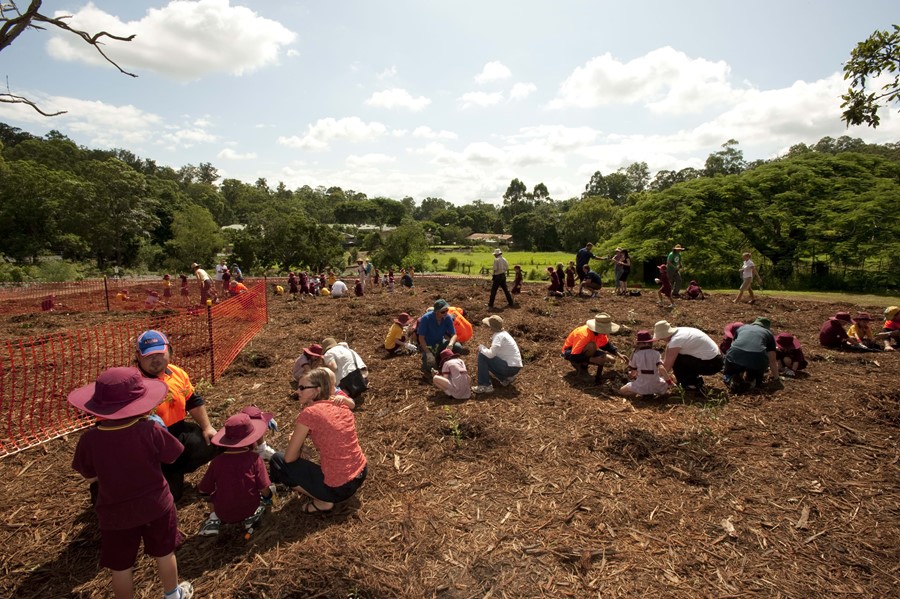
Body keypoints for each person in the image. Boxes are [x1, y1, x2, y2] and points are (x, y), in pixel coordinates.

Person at [68, 367, 194, 599]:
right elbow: (173, 456)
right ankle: (173, 594)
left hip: (115, 513)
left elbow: (89, 476)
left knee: (121, 567)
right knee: (165, 553)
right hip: (157, 505)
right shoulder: (150, 429)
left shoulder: (90, 439)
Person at [269, 367, 367, 514]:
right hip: (361, 471)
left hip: (340, 487)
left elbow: (289, 458)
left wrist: (298, 449)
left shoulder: (310, 413)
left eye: (302, 388)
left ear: (317, 390)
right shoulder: (338, 403)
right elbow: (329, 429)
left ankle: (324, 501)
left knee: (277, 460)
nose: (297, 391)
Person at [135, 330, 220, 501]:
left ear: (170, 351)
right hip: (150, 446)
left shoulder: (177, 373)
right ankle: (156, 475)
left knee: (212, 444)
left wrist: (207, 427)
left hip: (177, 433)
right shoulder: (132, 382)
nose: (155, 359)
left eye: (160, 353)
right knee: (170, 497)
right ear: (138, 356)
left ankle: (176, 469)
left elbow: (192, 401)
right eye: (149, 355)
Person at [197, 412, 274, 537]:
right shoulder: (254, 459)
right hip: (249, 507)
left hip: (223, 512)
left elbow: (204, 489)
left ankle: (213, 519)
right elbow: (263, 488)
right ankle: (250, 518)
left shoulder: (217, 462)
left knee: (212, 495)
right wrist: (269, 496)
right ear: (251, 439)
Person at [652, 320, 723, 391]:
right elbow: (668, 353)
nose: (662, 340)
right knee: (679, 357)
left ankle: (690, 383)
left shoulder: (676, 340)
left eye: (661, 338)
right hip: (717, 358)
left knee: (677, 359)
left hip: (711, 364)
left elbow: (668, 365)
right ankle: (691, 378)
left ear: (665, 335)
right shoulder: (679, 331)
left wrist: (654, 379)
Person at [561, 313, 625, 382]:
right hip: (570, 352)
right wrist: (592, 359)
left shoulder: (601, 333)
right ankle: (582, 371)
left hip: (582, 351)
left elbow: (606, 345)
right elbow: (574, 356)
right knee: (591, 346)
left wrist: (618, 354)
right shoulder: (584, 335)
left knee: (606, 357)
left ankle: (598, 377)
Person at [723, 317, 780, 391]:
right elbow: (772, 360)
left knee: (729, 372)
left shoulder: (742, 328)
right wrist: (777, 379)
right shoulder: (768, 334)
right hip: (756, 358)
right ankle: (752, 380)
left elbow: (733, 346)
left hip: (735, 355)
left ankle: (731, 378)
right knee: (755, 371)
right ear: (767, 327)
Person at [472, 315, 522, 394]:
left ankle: (485, 385)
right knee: (486, 356)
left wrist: (481, 348)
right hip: (514, 367)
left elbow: (491, 355)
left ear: (491, 327)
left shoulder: (498, 337)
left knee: (482, 355)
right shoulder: (504, 334)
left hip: (509, 368)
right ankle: (504, 378)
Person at [619, 330, 673, 397]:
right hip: (656, 384)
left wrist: (631, 374)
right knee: (669, 380)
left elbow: (633, 372)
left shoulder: (636, 355)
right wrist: (669, 382)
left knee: (622, 391)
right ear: (649, 343)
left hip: (641, 385)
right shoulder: (656, 354)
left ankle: (640, 394)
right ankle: (657, 393)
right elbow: (661, 368)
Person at [417, 299, 463, 375]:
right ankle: (436, 359)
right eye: (443, 311)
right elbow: (421, 338)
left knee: (458, 347)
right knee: (428, 365)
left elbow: (454, 335)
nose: (446, 313)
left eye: (446, 310)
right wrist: (428, 353)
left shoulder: (447, 318)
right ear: (436, 312)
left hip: (440, 342)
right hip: (429, 346)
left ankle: (443, 360)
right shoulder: (426, 318)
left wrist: (450, 344)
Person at [321, 337, 368, 402]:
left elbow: (333, 367)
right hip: (363, 376)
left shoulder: (329, 353)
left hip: (348, 382)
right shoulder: (347, 349)